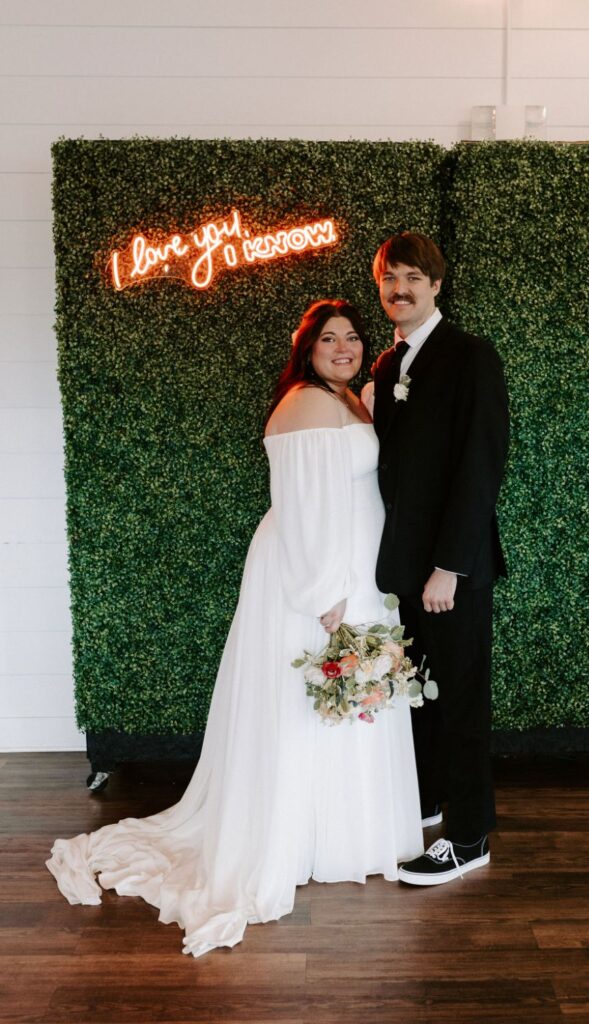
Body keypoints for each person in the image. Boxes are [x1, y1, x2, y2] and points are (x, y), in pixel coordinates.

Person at [47, 299, 423, 955]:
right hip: (317, 583)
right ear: (305, 349)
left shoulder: (344, 399)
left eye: (353, 337)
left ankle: (344, 834)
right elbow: (301, 507)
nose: (343, 346)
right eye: (328, 338)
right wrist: (324, 601)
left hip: (351, 575)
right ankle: (301, 838)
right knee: (306, 708)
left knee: (337, 709)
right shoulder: (305, 404)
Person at [366, 233, 509, 885]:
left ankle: (469, 835)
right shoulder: (384, 366)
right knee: (418, 698)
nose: (400, 289)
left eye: (412, 277)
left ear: (435, 285)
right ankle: (426, 806)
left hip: (451, 572)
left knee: (459, 701)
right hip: (404, 572)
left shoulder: (469, 356)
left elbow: (479, 466)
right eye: (389, 278)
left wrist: (448, 567)